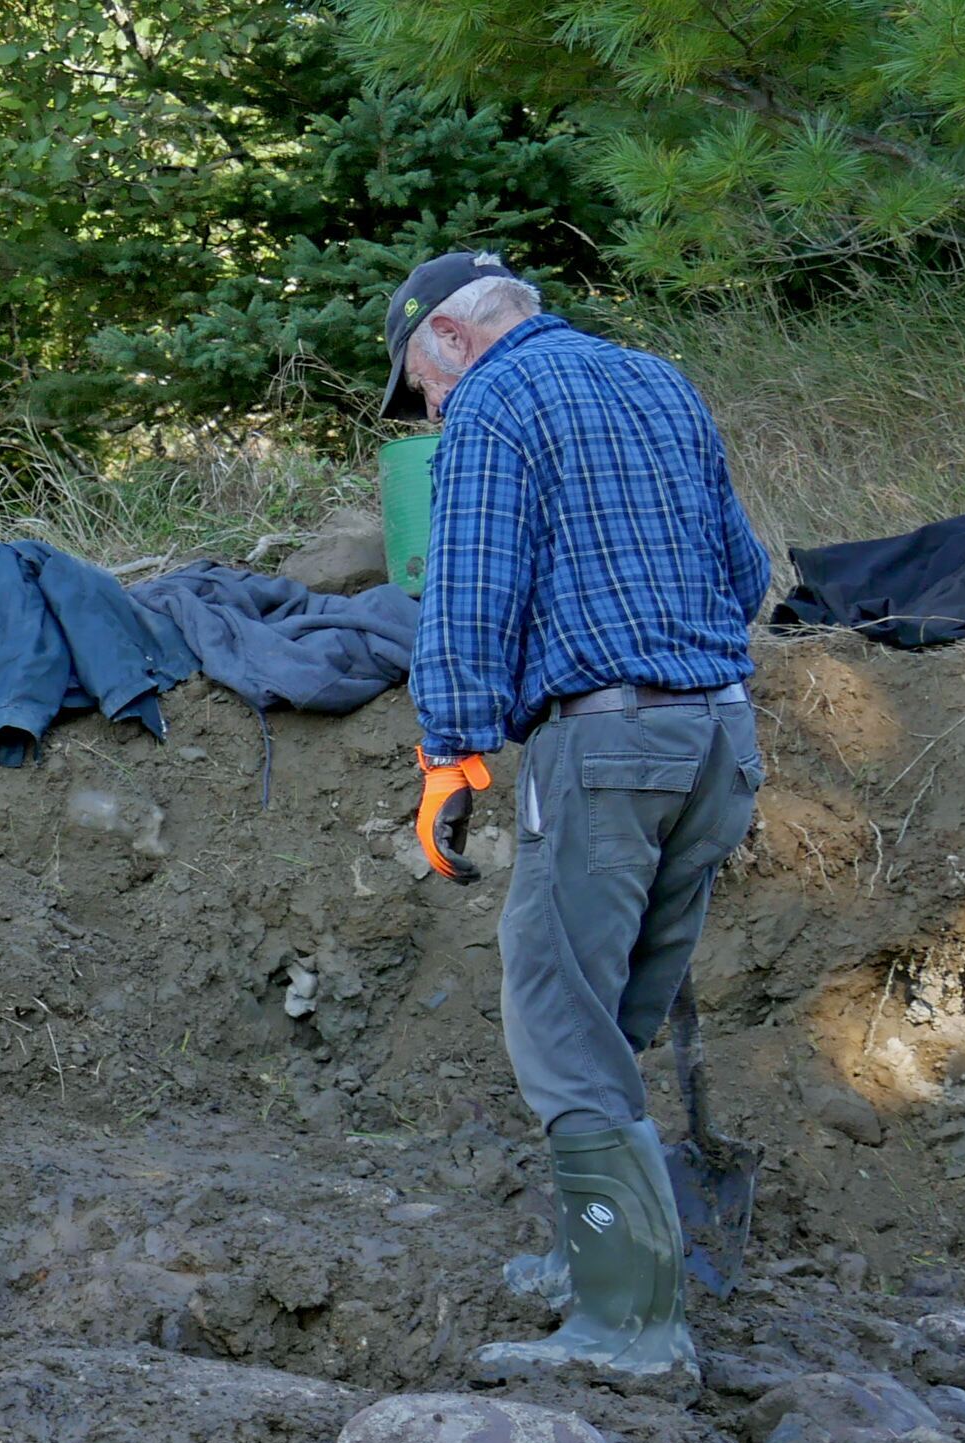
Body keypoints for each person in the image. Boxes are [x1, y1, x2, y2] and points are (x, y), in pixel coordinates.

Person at [386, 250, 770, 1381]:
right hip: (718, 740)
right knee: (610, 1017)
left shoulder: (495, 399)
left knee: (557, 1015)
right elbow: (742, 573)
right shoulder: (657, 379)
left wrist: (449, 749)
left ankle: (627, 1326)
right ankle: (594, 1261)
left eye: (421, 386)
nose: (429, 409)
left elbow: (465, 585)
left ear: (451, 339)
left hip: (604, 744)